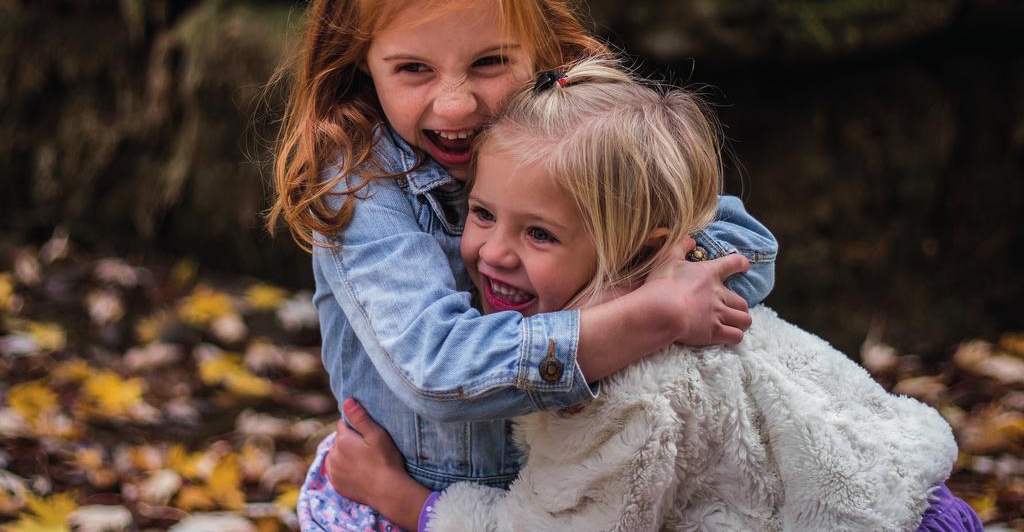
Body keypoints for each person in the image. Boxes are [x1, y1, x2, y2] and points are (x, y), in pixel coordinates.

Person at [267, 0, 778, 530]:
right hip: (417, 500)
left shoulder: (574, 134)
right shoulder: (361, 183)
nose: (456, 103)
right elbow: (439, 368)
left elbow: (748, 251)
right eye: (413, 69)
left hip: (569, 498)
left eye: (489, 63)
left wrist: (635, 272)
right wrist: (643, 316)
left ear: (542, 44)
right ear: (362, 58)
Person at [329, 58, 982, 532]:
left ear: (644, 246)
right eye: (480, 213)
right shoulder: (690, 285)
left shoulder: (620, 387)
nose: (495, 252)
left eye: (538, 233)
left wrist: (402, 499)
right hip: (904, 490)